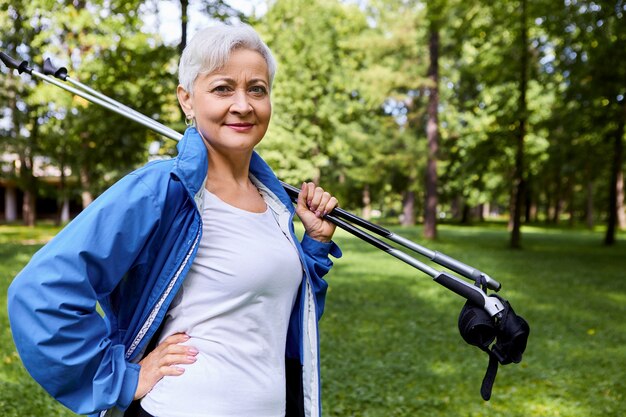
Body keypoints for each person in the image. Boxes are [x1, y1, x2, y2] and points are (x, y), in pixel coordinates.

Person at [8, 23, 341, 417]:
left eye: (257, 88)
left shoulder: (274, 204)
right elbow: (41, 291)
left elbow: (276, 317)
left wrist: (314, 246)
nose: (243, 104)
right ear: (187, 99)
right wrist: (121, 377)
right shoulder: (162, 189)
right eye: (222, 88)